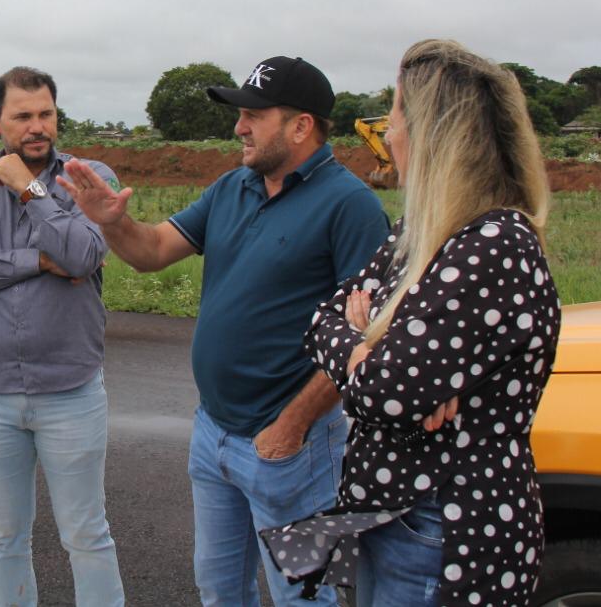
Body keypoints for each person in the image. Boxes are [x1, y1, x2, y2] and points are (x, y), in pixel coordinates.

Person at [60, 56, 389, 607]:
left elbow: (367, 339)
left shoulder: (350, 205)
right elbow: (152, 250)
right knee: (219, 590)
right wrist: (113, 222)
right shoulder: (233, 186)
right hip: (214, 433)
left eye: (254, 116)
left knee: (303, 599)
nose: (239, 127)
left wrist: (291, 426)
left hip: (295, 450)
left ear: (301, 126)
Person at [261, 39, 560, 606]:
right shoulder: (422, 233)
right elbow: (322, 319)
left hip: (443, 526)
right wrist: (371, 349)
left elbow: (386, 394)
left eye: (394, 118)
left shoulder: (494, 244)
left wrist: (370, 343)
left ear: (433, 135)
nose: (388, 134)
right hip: (399, 514)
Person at [0, 66, 125, 607]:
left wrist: (30, 189)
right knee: (4, 535)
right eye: (22, 116)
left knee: (86, 534)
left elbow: (83, 256)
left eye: (46, 114)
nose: (37, 126)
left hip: (71, 391)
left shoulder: (90, 177)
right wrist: (39, 260)